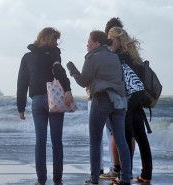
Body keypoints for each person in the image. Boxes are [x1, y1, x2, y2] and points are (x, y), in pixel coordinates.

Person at [66, 30, 131, 185]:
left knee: (95, 141)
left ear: (96, 43)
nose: (87, 44)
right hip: (119, 101)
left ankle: (94, 179)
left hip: (101, 99)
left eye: (89, 41)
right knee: (121, 140)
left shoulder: (93, 57)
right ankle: (126, 178)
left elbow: (83, 81)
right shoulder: (114, 57)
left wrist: (73, 71)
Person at [16, 27, 73, 185]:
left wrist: (20, 107)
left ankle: (41, 180)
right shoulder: (54, 53)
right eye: (54, 39)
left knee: (40, 142)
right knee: (57, 142)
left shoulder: (27, 57)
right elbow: (59, 71)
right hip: (53, 99)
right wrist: (67, 89)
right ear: (45, 38)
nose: (56, 43)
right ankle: (57, 181)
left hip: (37, 101)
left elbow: (22, 83)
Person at [108, 27, 153, 184]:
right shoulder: (135, 57)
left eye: (110, 39)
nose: (108, 43)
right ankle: (146, 175)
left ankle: (124, 176)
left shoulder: (119, 57)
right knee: (141, 138)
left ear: (118, 40)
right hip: (137, 101)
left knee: (125, 139)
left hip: (127, 101)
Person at [99, 17, 126, 180]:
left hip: (110, 96)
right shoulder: (128, 52)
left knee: (111, 134)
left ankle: (113, 168)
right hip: (125, 98)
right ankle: (122, 169)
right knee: (125, 134)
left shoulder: (108, 51)